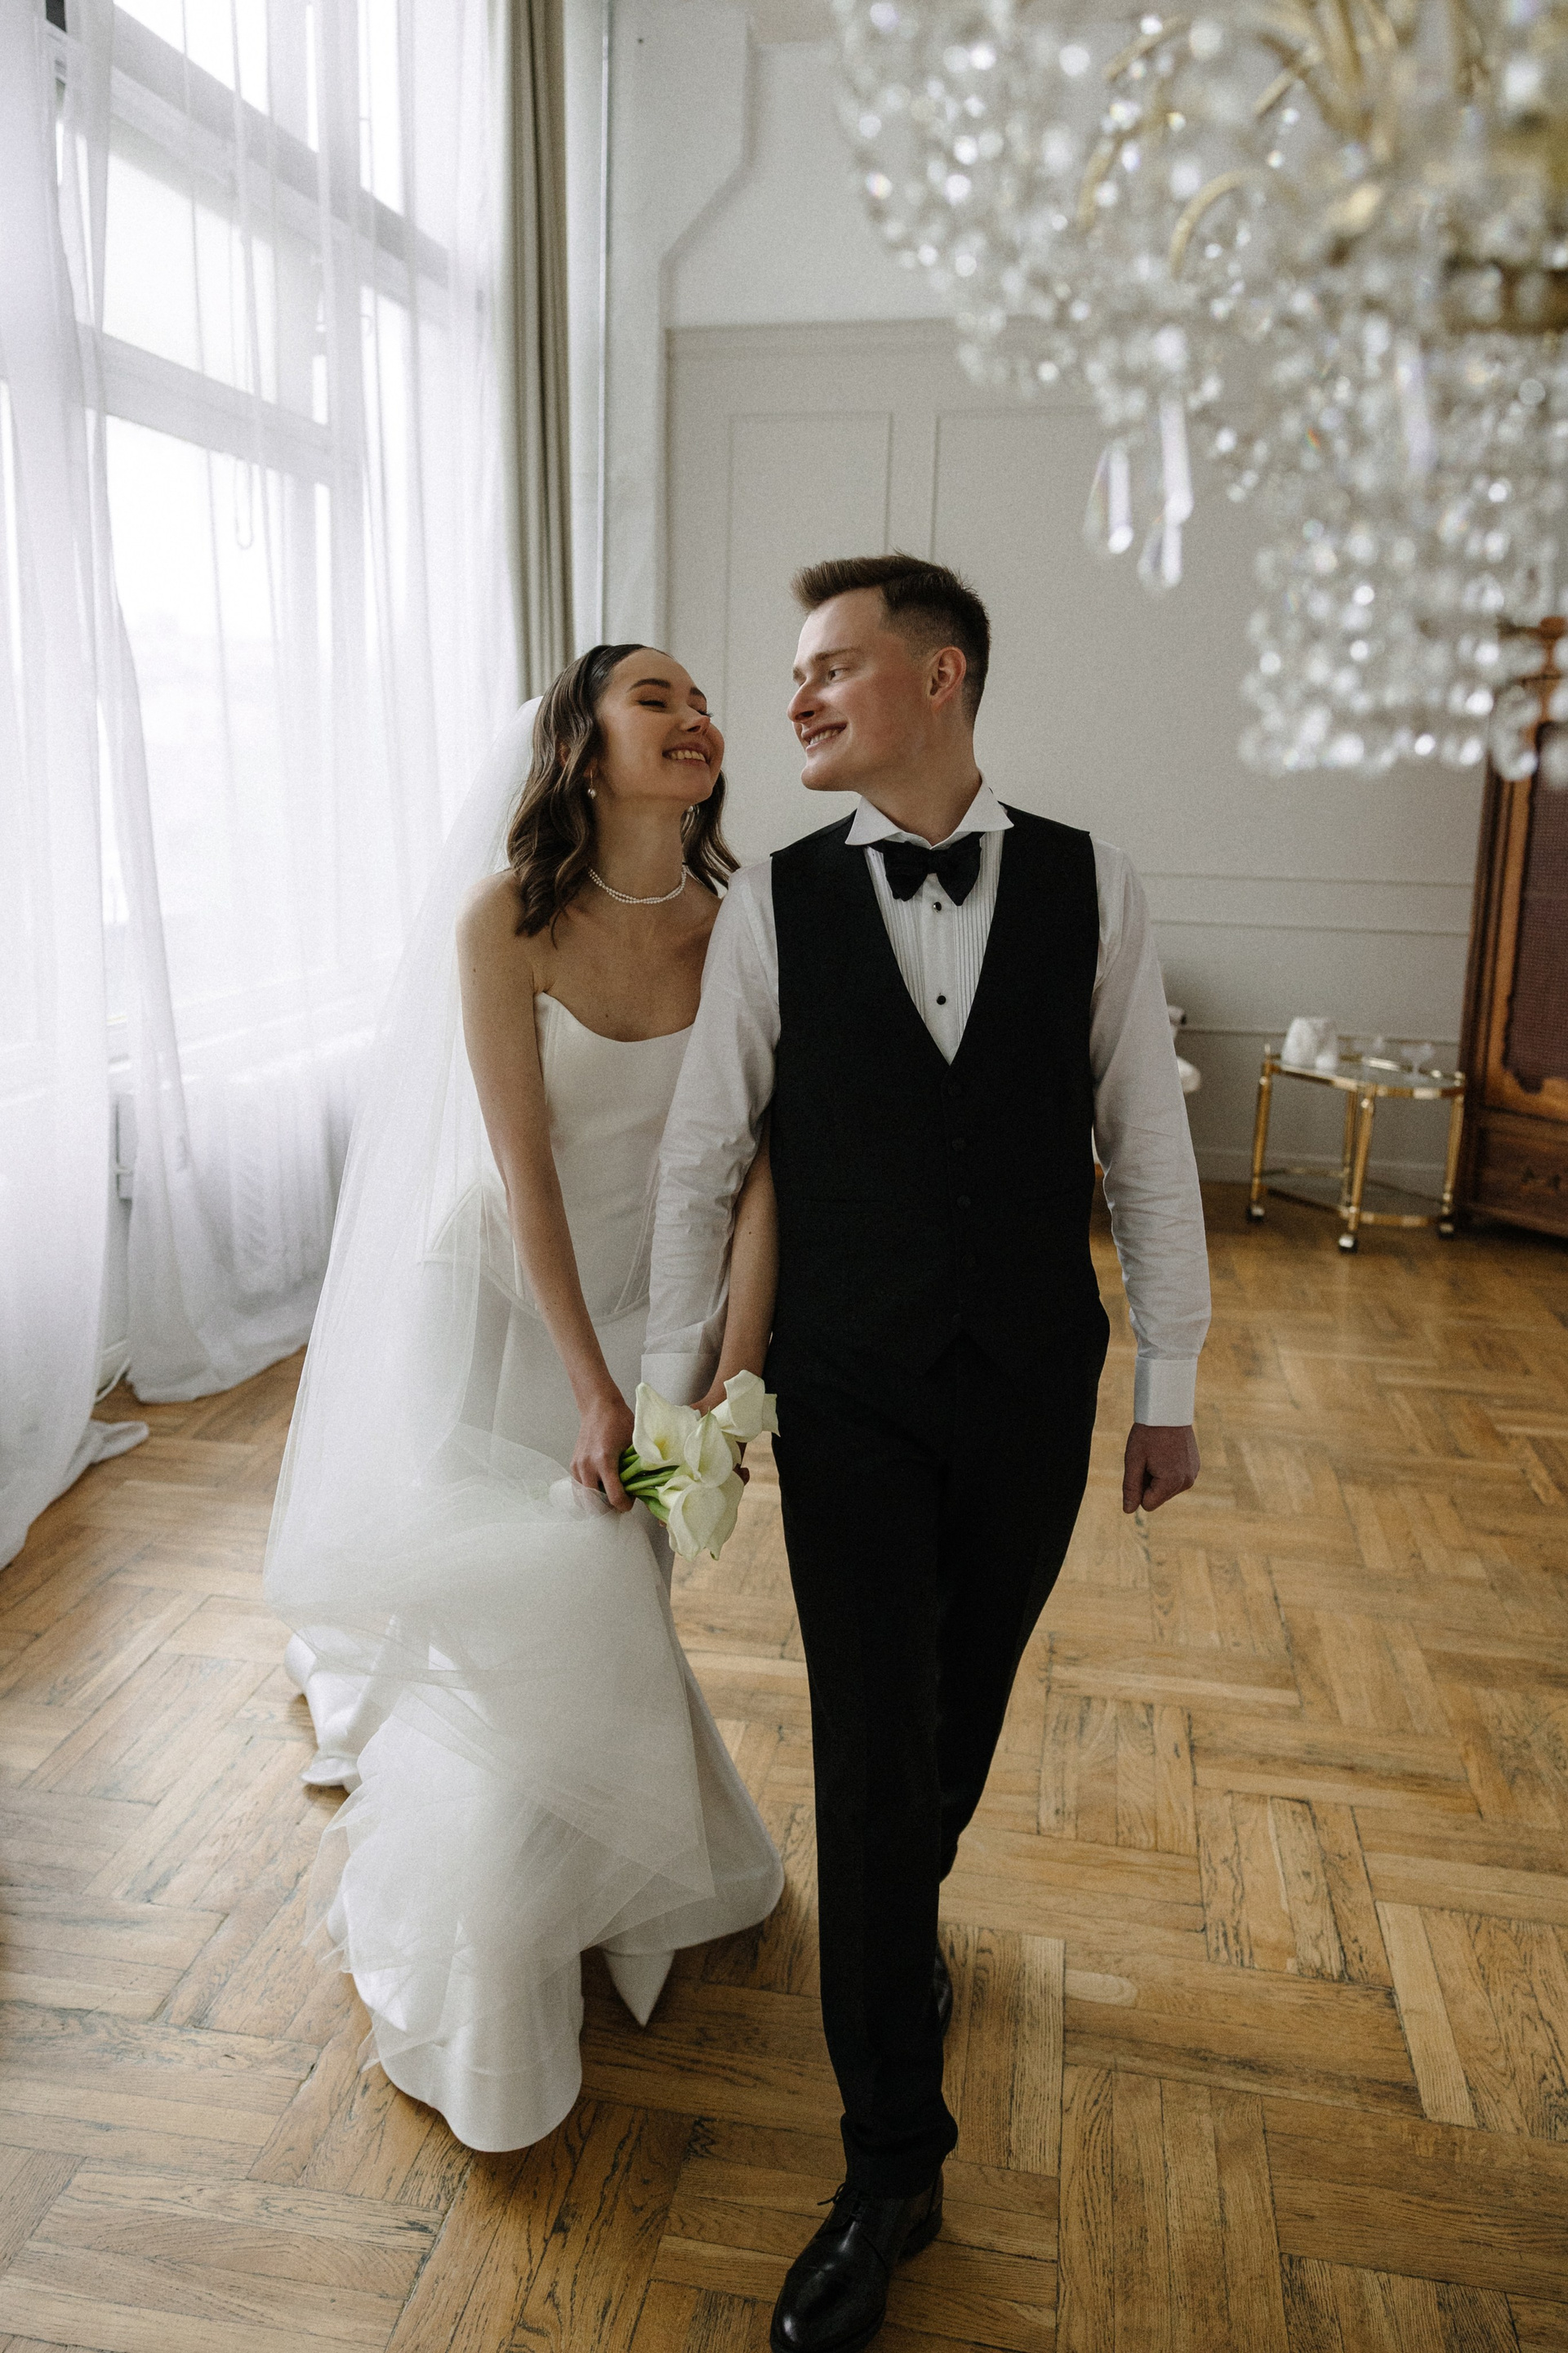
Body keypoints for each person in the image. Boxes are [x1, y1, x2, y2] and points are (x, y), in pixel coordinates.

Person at [644, 555, 1211, 2353]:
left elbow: (1147, 1144)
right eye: (795, 672)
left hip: (1037, 1381)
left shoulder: (1094, 883)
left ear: (941, 676)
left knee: (957, 1715)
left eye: (832, 665)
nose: (795, 698)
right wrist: (671, 1396)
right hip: (854, 1391)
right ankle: (890, 2161)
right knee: (872, 1745)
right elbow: (702, 1154)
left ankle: (900, 1915)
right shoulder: (775, 903)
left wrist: (1171, 1378)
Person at [265, 647, 782, 2154]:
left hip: (658, 1317)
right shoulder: (505, 921)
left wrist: (728, 1371)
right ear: (581, 742)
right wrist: (589, 1386)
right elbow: (522, 1168)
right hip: (498, 1305)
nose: (695, 716)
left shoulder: (747, 928)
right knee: (526, 1637)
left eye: (702, 700)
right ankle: (490, 1969)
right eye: (655, 697)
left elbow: (768, 1169)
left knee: (610, 1608)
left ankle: (601, 1876)